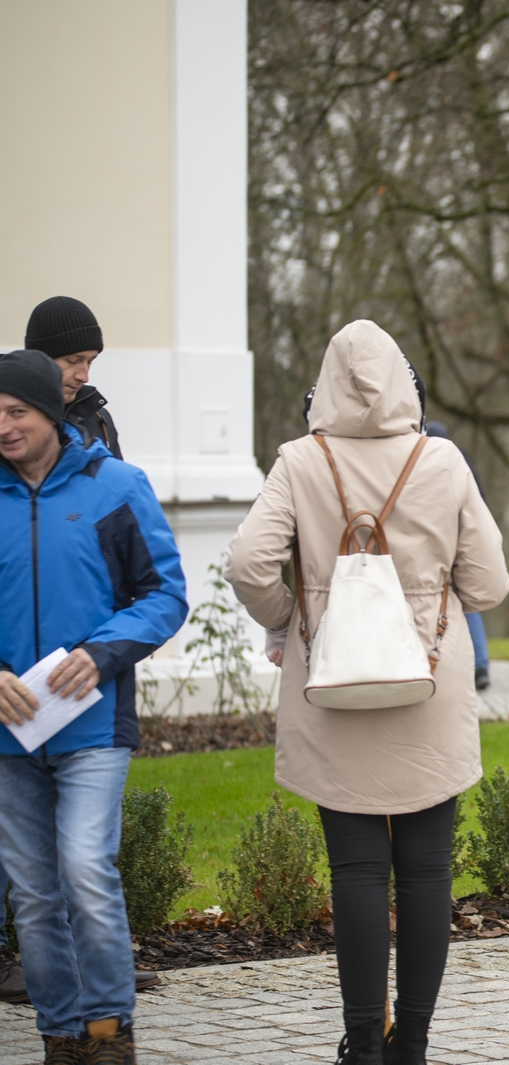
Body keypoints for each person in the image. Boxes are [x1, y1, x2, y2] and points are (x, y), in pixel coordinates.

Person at [224, 320, 509, 1065]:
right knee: (427, 871)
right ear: (405, 384)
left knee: (355, 870)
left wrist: (295, 616)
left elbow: (248, 564)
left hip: (334, 680)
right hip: (427, 679)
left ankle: (363, 1044)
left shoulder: (300, 460)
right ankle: (410, 1042)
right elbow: (489, 583)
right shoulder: (441, 459)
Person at [0, 349, 188, 1061]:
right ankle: (61, 1034)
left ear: (50, 412)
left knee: (84, 867)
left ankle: (110, 1029)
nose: (4, 426)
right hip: (9, 735)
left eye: (16, 411)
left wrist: (103, 652)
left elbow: (164, 594)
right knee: (32, 891)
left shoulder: (116, 486)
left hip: (93, 725)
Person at [424, 420, 492, 691]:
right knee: (468, 603)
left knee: (442, 600)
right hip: (462, 539)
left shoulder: (422, 461)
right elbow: (479, 502)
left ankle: (445, 662)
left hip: (440, 542)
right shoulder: (459, 459)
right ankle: (480, 664)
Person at [25, 296, 120, 458]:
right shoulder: (8, 421)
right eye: (72, 361)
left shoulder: (99, 419)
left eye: (90, 362)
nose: (84, 377)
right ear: (39, 359)